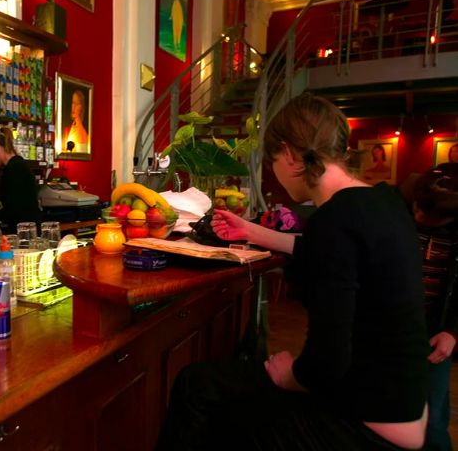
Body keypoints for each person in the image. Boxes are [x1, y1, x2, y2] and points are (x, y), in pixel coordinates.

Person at [157, 93, 429, 450]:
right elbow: (331, 256)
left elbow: (326, 363)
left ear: (288, 154)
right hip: (404, 407)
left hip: (363, 423)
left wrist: (292, 375)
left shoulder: (334, 220)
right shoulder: (383, 202)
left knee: (197, 387)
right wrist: (250, 231)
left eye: (272, 160)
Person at [401, 163, 458, 451]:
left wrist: (453, 331)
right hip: (393, 327)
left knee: (433, 418)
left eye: (428, 215)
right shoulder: (398, 205)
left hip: (435, 333)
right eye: (418, 208)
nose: (419, 216)